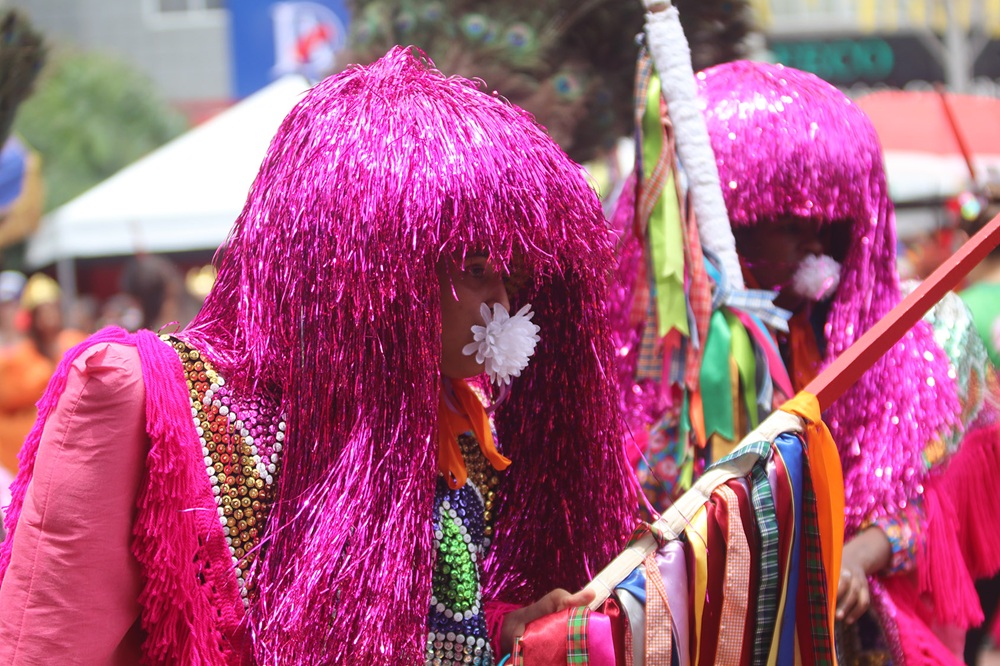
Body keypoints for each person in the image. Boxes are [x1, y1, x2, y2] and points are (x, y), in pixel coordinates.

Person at [0, 47, 636, 664]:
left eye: (511, 275)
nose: (502, 298)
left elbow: (410, 626)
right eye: (475, 268)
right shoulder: (146, 398)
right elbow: (45, 645)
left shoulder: (458, 423)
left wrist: (502, 626)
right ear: (379, 268)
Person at [698, 60, 1000, 664]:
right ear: (726, 227)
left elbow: (929, 506)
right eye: (789, 224)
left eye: (830, 226)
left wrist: (859, 556)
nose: (816, 243)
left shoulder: (910, 347)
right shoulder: (682, 372)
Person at [0, 273, 85, 476]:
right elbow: (8, 394)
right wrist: (48, 378)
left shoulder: (75, 342)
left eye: (52, 308)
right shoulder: (19, 357)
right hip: (23, 459)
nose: (49, 316)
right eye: (42, 310)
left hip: (70, 450)